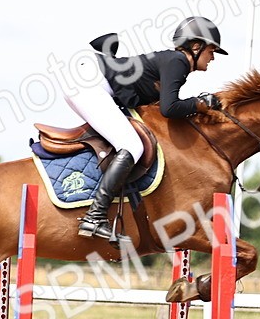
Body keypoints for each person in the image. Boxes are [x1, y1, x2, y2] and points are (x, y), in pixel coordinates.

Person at [64, 16, 227, 243]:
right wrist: (200, 104)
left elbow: (158, 108)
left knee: (128, 139)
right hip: (89, 80)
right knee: (131, 145)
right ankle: (94, 216)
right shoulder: (178, 61)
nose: (212, 57)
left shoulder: (175, 63)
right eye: (212, 50)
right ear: (196, 46)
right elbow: (170, 108)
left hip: (88, 79)